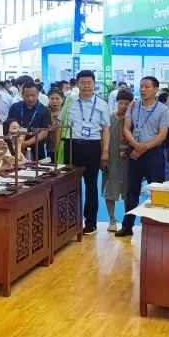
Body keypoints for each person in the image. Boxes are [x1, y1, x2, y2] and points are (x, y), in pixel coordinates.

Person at [116, 77, 169, 237]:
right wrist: (135, 145)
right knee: (131, 191)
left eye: (147, 87)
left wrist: (142, 148)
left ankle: (156, 227)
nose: (143, 89)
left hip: (154, 154)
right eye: (141, 86)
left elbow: (162, 135)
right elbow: (126, 128)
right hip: (134, 152)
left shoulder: (163, 109)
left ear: (156, 89)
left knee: (156, 191)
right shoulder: (133, 105)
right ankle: (127, 226)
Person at [64, 70, 110, 235]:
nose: (86, 86)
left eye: (89, 82)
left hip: (92, 147)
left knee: (91, 185)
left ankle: (91, 223)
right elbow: (61, 124)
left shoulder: (102, 104)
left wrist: (104, 151)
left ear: (94, 84)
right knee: (70, 186)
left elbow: (106, 130)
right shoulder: (69, 102)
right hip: (72, 146)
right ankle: (70, 221)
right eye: (82, 83)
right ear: (77, 84)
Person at [102, 89, 134, 233]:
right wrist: (103, 156)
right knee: (110, 189)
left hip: (129, 159)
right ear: (116, 103)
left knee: (129, 190)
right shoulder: (108, 118)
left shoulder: (133, 119)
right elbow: (102, 139)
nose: (123, 106)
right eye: (121, 103)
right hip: (112, 158)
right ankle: (112, 220)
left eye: (127, 104)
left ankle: (127, 222)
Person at [6, 82, 53, 161]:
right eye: (27, 96)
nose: (30, 98)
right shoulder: (15, 107)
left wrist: (26, 143)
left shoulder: (44, 110)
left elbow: (44, 132)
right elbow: (8, 126)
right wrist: (16, 142)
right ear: (22, 95)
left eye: (33, 95)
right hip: (15, 147)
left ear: (38, 94)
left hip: (36, 149)